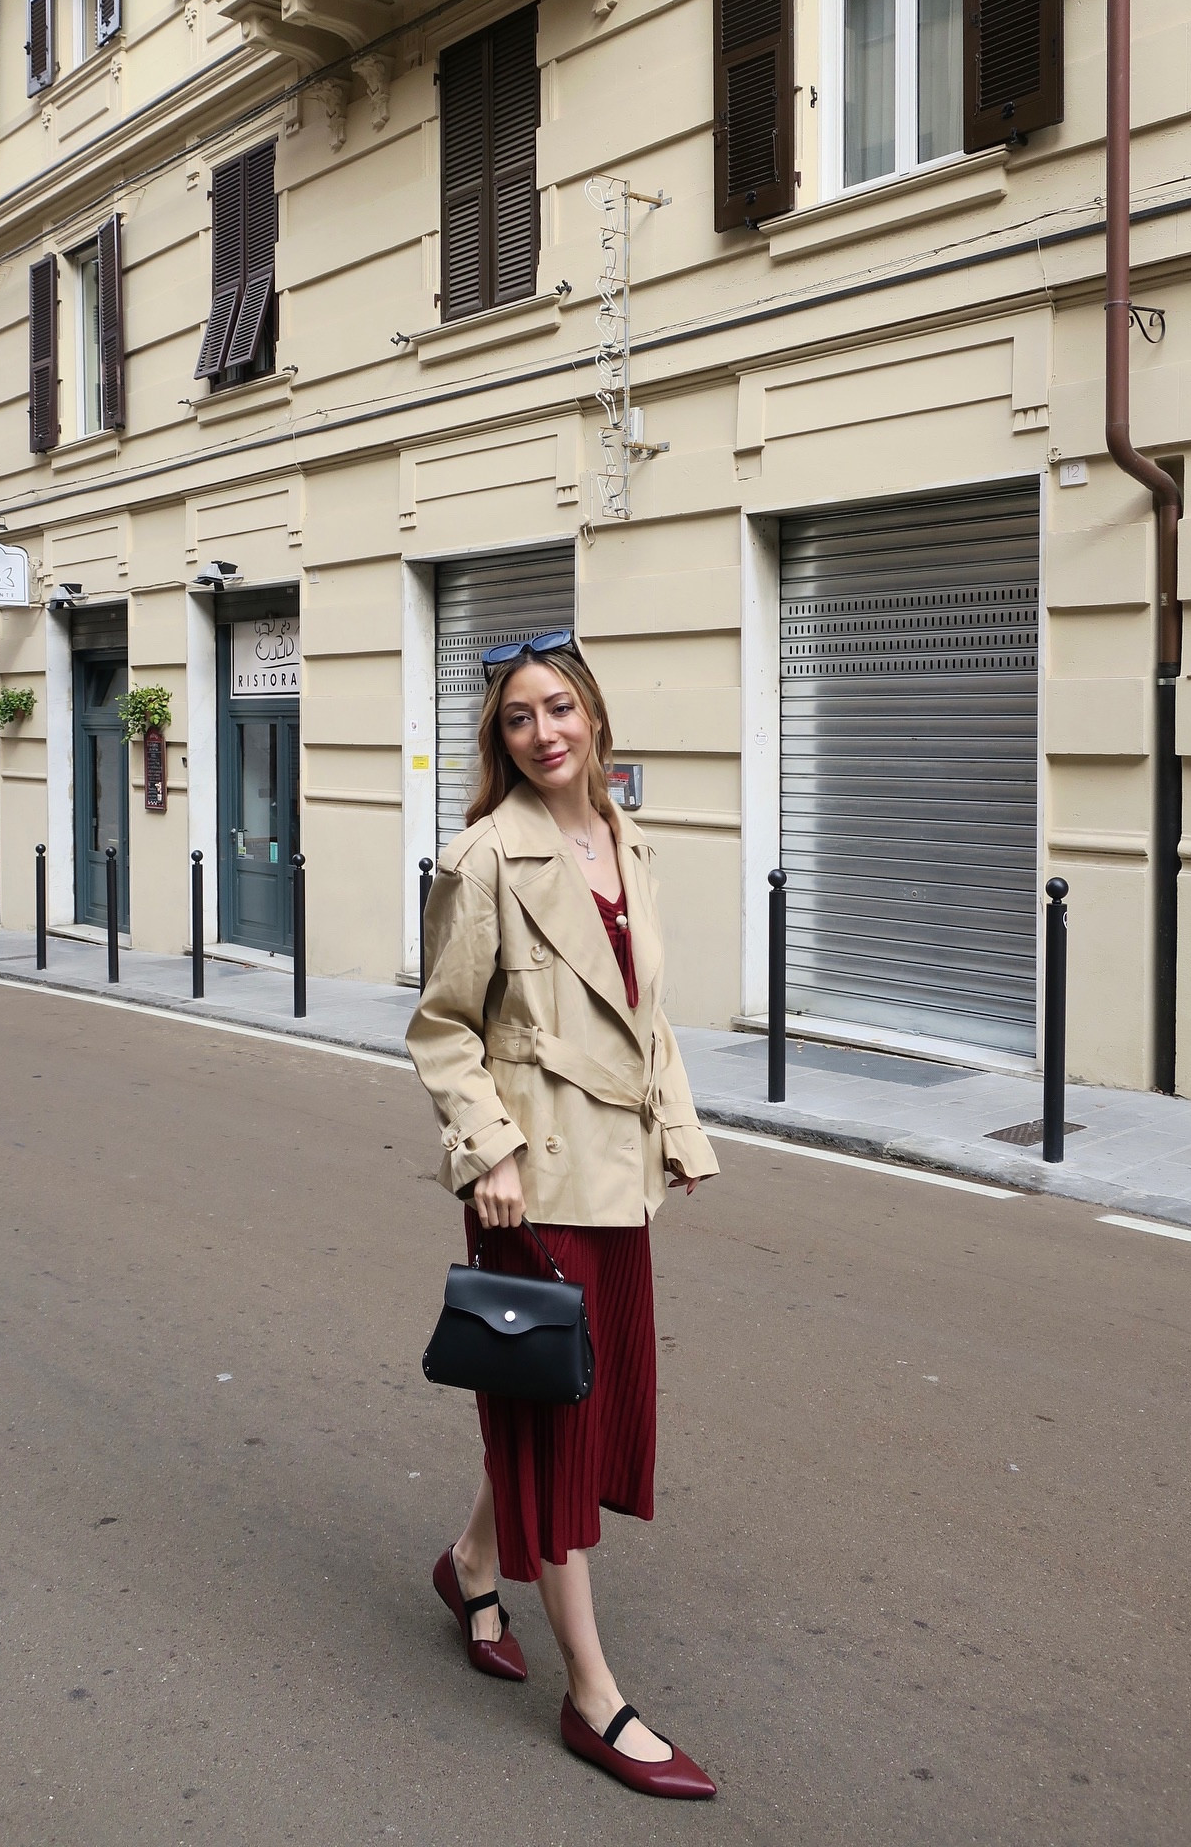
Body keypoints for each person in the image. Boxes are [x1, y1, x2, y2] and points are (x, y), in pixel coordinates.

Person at [406, 630, 720, 1800]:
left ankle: (475, 1562)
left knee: (558, 1390)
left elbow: (650, 1020)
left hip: (617, 1175)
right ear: (502, 739)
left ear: (592, 718)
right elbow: (441, 1026)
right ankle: (595, 1697)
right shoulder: (485, 857)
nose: (544, 732)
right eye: (520, 718)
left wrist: (680, 1134)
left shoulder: (629, 841)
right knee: (559, 1415)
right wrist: (485, 1147)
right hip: (530, 1182)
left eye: (560, 709)